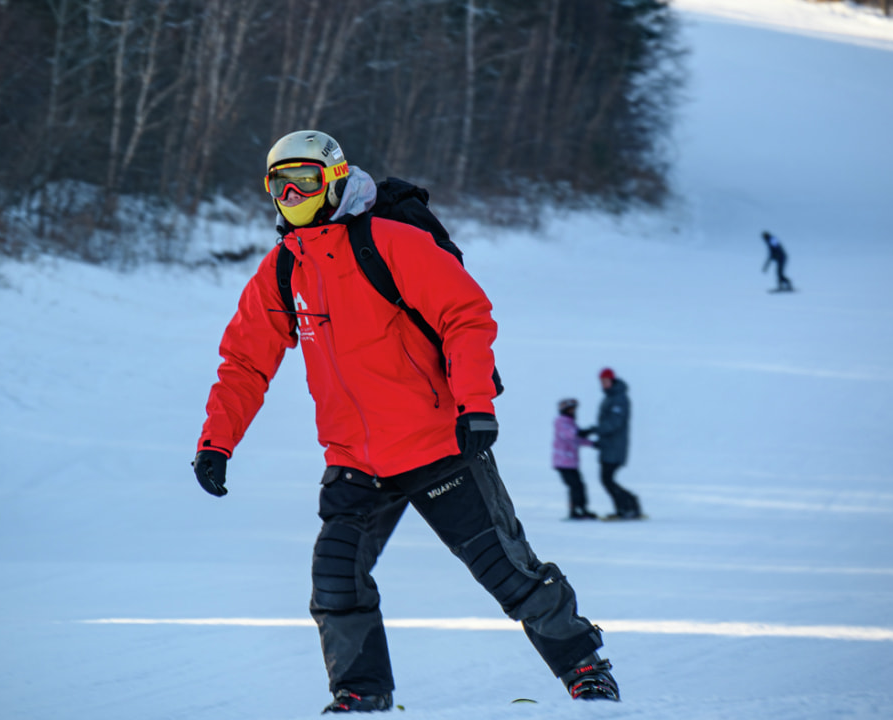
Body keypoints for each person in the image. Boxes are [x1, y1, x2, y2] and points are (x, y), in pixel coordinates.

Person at [191, 130, 619, 713]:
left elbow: (466, 316)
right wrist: (218, 441)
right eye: (278, 185)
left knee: (507, 572)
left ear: (335, 179)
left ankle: (585, 669)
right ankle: (361, 694)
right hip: (353, 460)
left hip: (437, 443)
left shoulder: (389, 243)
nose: (292, 194)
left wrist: (475, 404)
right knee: (337, 581)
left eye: (306, 181)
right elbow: (244, 359)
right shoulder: (285, 268)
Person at [591, 368, 644, 521]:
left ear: (612, 380)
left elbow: (614, 423)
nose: (603, 384)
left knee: (607, 479)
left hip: (615, 449)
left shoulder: (619, 398)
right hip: (608, 447)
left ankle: (630, 504)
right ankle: (623, 508)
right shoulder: (610, 397)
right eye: (602, 381)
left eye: (606, 381)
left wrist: (595, 430)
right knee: (607, 480)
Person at [553, 398, 596, 520]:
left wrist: (592, 443)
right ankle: (575, 510)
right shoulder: (561, 421)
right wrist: (583, 432)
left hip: (570, 462)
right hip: (563, 462)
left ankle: (581, 508)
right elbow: (570, 435)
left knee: (579, 486)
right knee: (575, 486)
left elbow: (576, 439)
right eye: (571, 409)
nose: (573, 411)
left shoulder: (570, 422)